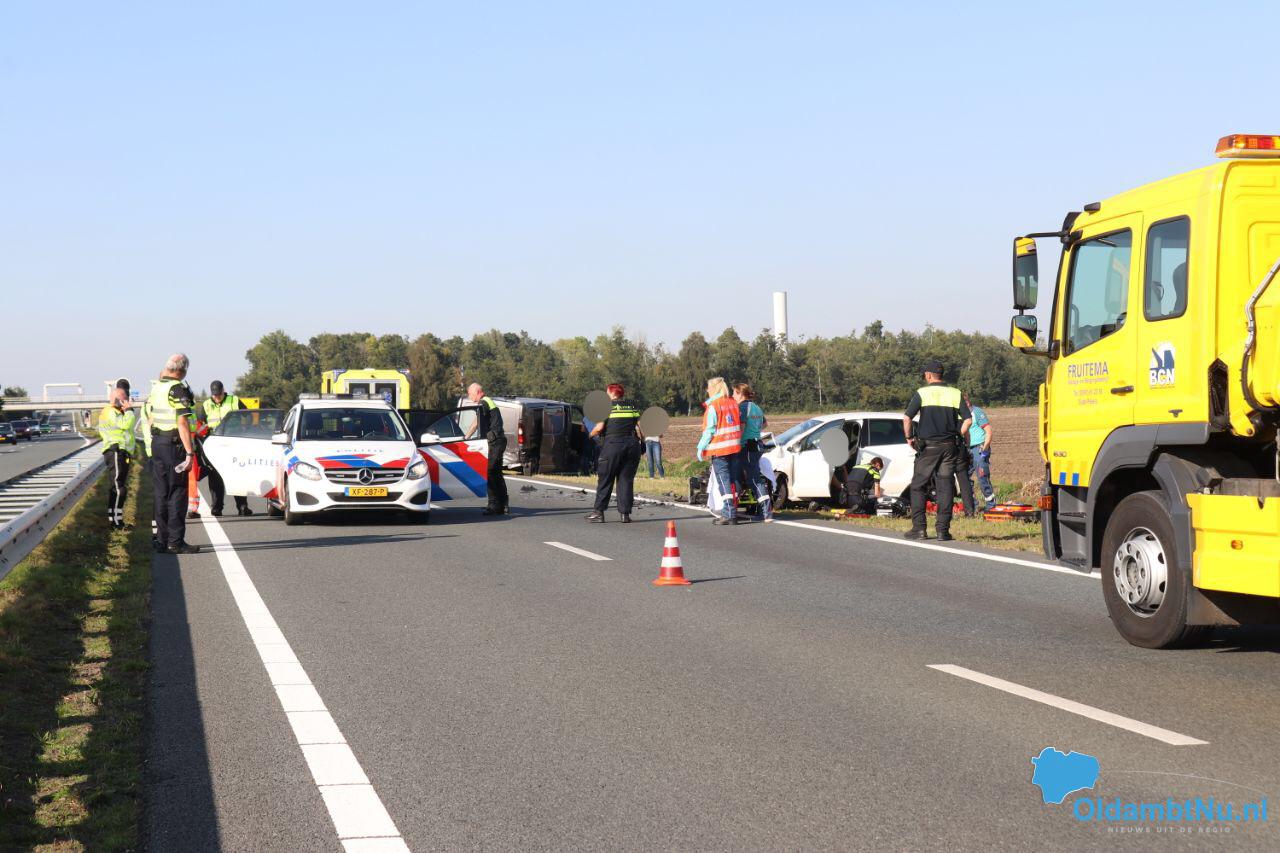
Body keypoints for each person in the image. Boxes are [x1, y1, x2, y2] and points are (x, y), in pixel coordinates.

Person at [902, 360, 971, 541]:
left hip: (928, 447)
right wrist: (958, 433)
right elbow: (968, 420)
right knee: (945, 486)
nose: (925, 376)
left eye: (925, 374)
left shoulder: (922, 393)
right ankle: (942, 531)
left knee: (918, 486)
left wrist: (909, 438)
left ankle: (919, 529)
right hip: (949, 447)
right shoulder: (956, 393)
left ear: (929, 375)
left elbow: (907, 418)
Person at [149, 354, 201, 554]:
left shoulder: (158, 387)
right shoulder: (177, 389)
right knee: (177, 493)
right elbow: (182, 422)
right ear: (182, 370)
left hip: (158, 443)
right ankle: (175, 542)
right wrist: (189, 452)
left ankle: (162, 540)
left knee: (161, 493)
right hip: (173, 446)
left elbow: (152, 417)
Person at [585, 384, 642, 523]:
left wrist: (589, 436)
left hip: (613, 445)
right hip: (632, 445)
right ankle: (625, 514)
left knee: (606, 478)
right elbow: (640, 427)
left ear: (611, 393)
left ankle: (599, 512)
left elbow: (599, 428)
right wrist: (642, 443)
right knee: (626, 480)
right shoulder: (632, 406)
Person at [696, 376, 743, 525]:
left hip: (720, 449)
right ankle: (731, 511)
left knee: (724, 481)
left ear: (714, 389)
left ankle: (729, 513)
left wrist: (700, 447)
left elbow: (709, 430)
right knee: (733, 480)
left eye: (708, 388)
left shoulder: (713, 406)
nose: (707, 390)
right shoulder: (733, 403)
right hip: (734, 447)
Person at [201, 380, 250, 516]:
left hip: (233, 441)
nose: (217, 398)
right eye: (214, 395)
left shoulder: (234, 400)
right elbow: (200, 424)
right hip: (214, 444)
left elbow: (248, 415)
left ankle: (242, 507)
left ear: (223, 391)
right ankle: (216, 508)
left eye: (219, 395)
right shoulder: (206, 404)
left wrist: (245, 431)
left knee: (236, 474)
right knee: (215, 476)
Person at [97, 382, 137, 529]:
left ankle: (116, 520)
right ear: (117, 399)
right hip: (115, 451)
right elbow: (126, 425)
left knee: (118, 486)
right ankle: (116, 522)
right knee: (118, 487)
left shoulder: (115, 411)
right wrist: (130, 410)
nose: (126, 402)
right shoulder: (110, 411)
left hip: (120, 451)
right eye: (124, 399)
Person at [466, 383, 508, 515]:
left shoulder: (483, 403)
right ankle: (503, 505)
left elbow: (477, 422)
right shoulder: (488, 401)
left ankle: (494, 505)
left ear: (478, 391)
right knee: (496, 473)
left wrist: (467, 436)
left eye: (470, 393)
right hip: (498, 440)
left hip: (495, 442)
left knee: (489, 472)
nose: (469, 396)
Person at [732, 382, 772, 522]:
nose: (732, 396)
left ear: (740, 394)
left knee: (753, 480)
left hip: (746, 446)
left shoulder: (742, 407)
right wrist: (755, 430)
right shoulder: (756, 407)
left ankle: (766, 513)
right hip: (757, 444)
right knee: (749, 477)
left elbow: (741, 428)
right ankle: (734, 509)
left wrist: (736, 444)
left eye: (734, 393)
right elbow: (765, 424)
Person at [965, 394, 996, 511]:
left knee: (982, 476)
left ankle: (991, 506)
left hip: (979, 448)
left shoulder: (977, 412)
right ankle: (973, 505)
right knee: (964, 478)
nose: (966, 404)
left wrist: (985, 449)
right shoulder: (961, 414)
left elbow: (989, 431)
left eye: (967, 402)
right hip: (967, 449)